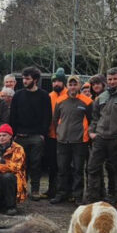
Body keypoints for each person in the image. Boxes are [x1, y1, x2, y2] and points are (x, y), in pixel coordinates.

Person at [86, 67, 117, 211]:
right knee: (93, 169)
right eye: (110, 79)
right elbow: (95, 118)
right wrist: (91, 132)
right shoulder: (101, 97)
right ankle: (93, 200)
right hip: (100, 138)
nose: (112, 82)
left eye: (115, 79)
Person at [9, 67, 52, 201]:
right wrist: (13, 134)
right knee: (20, 164)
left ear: (35, 80)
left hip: (36, 137)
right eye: (23, 78)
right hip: (20, 136)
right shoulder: (18, 95)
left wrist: (42, 134)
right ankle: (21, 188)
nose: (24, 81)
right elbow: (13, 116)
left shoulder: (44, 96)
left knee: (36, 164)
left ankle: (35, 190)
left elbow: (47, 116)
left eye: (27, 78)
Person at [51, 75, 93, 204]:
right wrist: (59, 132)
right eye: (70, 84)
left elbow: (92, 120)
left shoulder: (87, 102)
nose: (73, 87)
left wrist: (87, 135)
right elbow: (55, 119)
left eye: (75, 84)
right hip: (62, 140)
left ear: (79, 86)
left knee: (78, 170)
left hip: (80, 141)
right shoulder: (60, 100)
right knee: (62, 169)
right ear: (67, 85)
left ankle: (78, 195)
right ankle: (61, 193)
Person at [44, 68, 68, 199]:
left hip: (65, 136)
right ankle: (51, 189)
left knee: (64, 165)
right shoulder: (49, 96)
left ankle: (65, 191)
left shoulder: (69, 95)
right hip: (51, 135)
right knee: (52, 165)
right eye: (54, 81)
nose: (56, 84)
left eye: (59, 81)